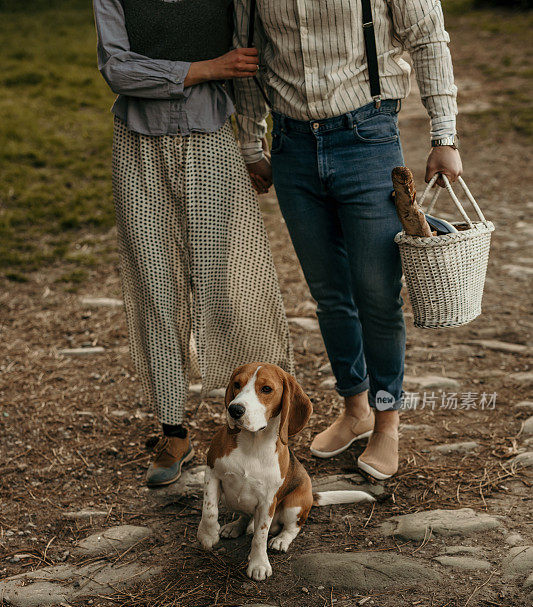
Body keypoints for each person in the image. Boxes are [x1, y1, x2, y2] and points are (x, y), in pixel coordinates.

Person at [233, 0, 462, 479]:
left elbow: (428, 36)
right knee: (331, 295)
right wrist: (252, 142)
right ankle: (354, 407)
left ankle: (386, 421)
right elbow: (247, 52)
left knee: (377, 293)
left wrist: (445, 136)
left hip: (367, 137)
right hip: (292, 146)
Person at [93, 0, 293, 488]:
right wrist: (207, 68)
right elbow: (118, 69)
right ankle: (173, 430)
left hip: (211, 143)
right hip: (138, 145)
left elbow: (245, 69)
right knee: (155, 291)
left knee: (229, 289)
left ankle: (262, 423)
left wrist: (251, 146)